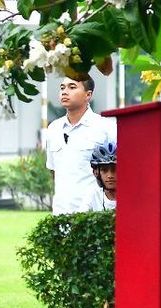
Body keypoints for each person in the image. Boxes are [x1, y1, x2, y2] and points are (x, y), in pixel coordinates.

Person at [44, 76, 116, 215]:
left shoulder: (106, 127)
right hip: (61, 214)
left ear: (88, 95)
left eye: (72, 87)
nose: (65, 92)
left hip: (94, 214)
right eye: (62, 87)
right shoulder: (54, 128)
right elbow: (54, 171)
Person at [85, 141, 117, 211]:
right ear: (96, 172)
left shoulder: (132, 196)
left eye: (115, 170)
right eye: (104, 170)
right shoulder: (92, 196)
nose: (110, 176)